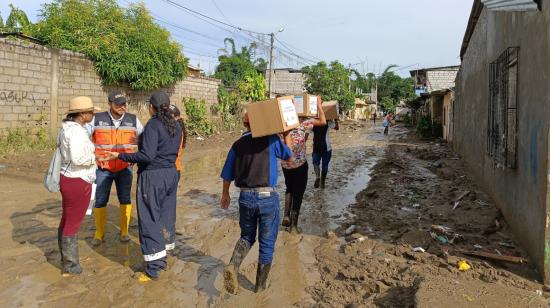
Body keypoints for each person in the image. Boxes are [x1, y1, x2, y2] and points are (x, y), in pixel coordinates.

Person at [100, 91, 182, 282]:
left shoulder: (154, 124)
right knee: (165, 216)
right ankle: (162, 258)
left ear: (151, 107)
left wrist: (120, 155)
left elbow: (147, 156)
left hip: (153, 176)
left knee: (149, 218)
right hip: (170, 174)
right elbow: (164, 148)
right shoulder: (176, 125)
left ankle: (153, 268)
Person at [220, 113, 293, 294]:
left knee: (246, 237)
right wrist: (287, 134)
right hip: (267, 198)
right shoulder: (271, 140)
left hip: (245, 198)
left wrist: (225, 195)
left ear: (245, 124)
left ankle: (233, 265)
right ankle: (259, 290)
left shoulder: (237, 144)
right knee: (267, 244)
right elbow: (290, 157)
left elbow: (227, 174)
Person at [87, 91, 143, 246]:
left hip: (125, 168)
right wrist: (92, 156)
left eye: (124, 103)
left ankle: (124, 231)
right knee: (100, 199)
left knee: (125, 198)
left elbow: (144, 139)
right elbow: (84, 139)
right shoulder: (97, 119)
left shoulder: (133, 120)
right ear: (110, 103)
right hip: (103, 168)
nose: (122, 107)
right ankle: (99, 233)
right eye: (118, 103)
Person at [58, 96, 100, 276]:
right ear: (82, 114)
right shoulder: (76, 132)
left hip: (69, 178)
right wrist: (96, 157)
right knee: (73, 223)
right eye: (90, 112)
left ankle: (65, 261)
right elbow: (78, 158)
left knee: (67, 219)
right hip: (78, 180)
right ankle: (71, 266)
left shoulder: (69, 129)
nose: (92, 114)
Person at [281, 97, 326, 233]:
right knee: (298, 194)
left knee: (289, 188)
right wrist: (318, 104)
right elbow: (323, 121)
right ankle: (294, 226)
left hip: (286, 165)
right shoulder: (304, 123)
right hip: (300, 165)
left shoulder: (282, 124)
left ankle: (286, 215)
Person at [312, 119, 339, 189]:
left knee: (315, 163)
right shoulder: (328, 122)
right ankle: (322, 181)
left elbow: (306, 133)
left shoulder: (313, 121)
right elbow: (337, 128)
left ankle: (317, 177)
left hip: (316, 147)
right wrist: (336, 120)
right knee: (325, 166)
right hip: (326, 148)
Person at [169, 104, 188, 179]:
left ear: (173, 116)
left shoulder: (174, 130)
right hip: (175, 168)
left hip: (170, 169)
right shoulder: (179, 129)